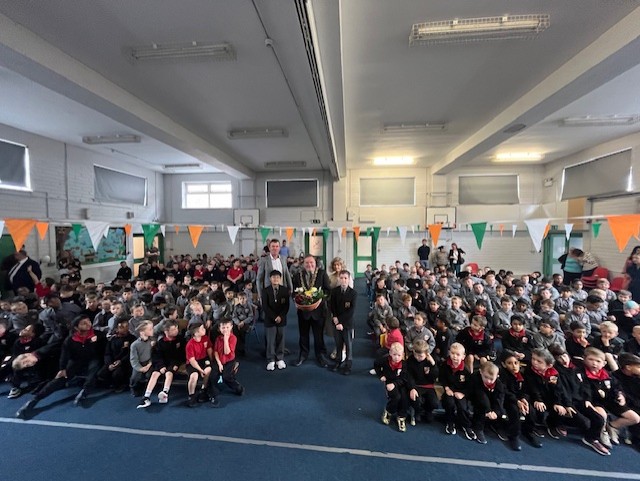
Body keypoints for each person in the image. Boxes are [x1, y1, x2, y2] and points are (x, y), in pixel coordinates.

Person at [16, 315, 106, 418]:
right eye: (83, 323)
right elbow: (64, 355)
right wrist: (62, 369)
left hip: (93, 359)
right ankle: (34, 400)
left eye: (88, 321)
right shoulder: (70, 340)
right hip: (76, 360)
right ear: (76, 327)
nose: (88, 324)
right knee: (60, 378)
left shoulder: (99, 335)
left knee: (93, 370)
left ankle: (84, 392)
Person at [293, 255, 331, 368]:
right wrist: (296, 300)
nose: (309, 265)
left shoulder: (322, 274)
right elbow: (294, 292)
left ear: (315, 263)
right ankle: (303, 354)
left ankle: (320, 355)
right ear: (303, 264)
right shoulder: (297, 275)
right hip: (303, 310)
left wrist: (320, 300)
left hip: (318, 310)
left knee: (319, 335)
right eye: (307, 263)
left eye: (311, 262)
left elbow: (328, 291)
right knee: (303, 334)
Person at [137, 320, 185, 409]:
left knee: (169, 373)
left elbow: (181, 355)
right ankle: (146, 396)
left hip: (173, 363)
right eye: (173, 329)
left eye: (176, 329)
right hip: (162, 363)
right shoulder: (160, 342)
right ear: (166, 332)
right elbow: (157, 356)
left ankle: (165, 392)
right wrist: (161, 366)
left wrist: (176, 364)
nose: (176, 331)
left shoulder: (180, 340)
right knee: (155, 374)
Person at [440, 342, 474, 439]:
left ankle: (466, 426)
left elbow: (470, 386)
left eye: (458, 354)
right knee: (449, 403)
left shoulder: (466, 370)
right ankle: (450, 422)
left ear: (463, 356)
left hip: (461, 392)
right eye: (452, 353)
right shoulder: (445, 365)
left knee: (462, 407)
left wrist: (463, 394)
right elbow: (442, 378)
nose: (454, 356)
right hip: (449, 391)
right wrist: (446, 388)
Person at [373, 342, 408, 432]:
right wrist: (380, 375)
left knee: (404, 397)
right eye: (394, 355)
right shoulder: (385, 360)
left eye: (399, 355)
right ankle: (389, 411)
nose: (396, 357)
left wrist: (395, 384)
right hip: (389, 382)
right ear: (390, 353)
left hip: (400, 383)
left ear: (403, 355)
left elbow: (404, 378)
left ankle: (401, 417)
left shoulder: (404, 364)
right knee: (396, 397)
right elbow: (376, 364)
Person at [329, 270, 357, 375]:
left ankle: (348, 364)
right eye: (341, 278)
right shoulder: (334, 291)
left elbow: (351, 311)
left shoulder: (353, 293)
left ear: (349, 279)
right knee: (338, 343)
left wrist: (341, 322)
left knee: (348, 345)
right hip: (336, 322)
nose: (343, 280)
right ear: (339, 279)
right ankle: (338, 361)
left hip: (347, 323)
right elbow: (332, 306)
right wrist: (335, 318)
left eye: (345, 278)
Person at [262, 270, 290, 371]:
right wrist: (274, 317)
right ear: (270, 279)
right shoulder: (265, 290)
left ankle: (280, 358)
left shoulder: (284, 290)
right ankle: (271, 359)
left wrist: (280, 316)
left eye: (277, 277)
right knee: (271, 339)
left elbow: (286, 306)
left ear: (280, 279)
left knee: (280, 338)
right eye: (273, 277)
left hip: (281, 318)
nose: (275, 279)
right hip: (270, 319)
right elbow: (265, 306)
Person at [406, 339, 438, 425]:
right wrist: (412, 388)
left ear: (427, 354)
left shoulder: (431, 361)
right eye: (416, 355)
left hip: (428, 386)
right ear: (413, 351)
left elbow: (434, 376)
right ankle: (418, 411)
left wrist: (433, 365)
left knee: (434, 403)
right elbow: (409, 376)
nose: (418, 358)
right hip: (416, 386)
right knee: (416, 400)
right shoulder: (410, 360)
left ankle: (428, 411)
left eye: (421, 356)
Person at [185, 322, 216, 407]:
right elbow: (192, 360)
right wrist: (200, 370)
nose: (204, 329)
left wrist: (212, 361)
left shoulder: (205, 338)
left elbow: (209, 350)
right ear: (196, 333)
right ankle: (191, 395)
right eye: (202, 329)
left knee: (208, 370)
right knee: (194, 376)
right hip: (193, 362)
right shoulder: (190, 344)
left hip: (203, 359)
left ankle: (203, 389)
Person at [211, 318, 244, 398]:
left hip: (229, 360)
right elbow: (215, 351)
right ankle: (214, 392)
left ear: (231, 327)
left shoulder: (233, 338)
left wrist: (226, 340)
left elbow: (227, 352)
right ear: (219, 329)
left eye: (227, 327)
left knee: (226, 376)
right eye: (223, 328)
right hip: (219, 360)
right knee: (213, 375)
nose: (225, 330)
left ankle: (238, 388)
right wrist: (219, 363)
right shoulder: (218, 338)